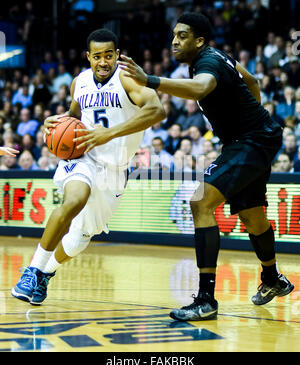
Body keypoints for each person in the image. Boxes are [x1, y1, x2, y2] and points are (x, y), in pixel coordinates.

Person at [117, 12, 294, 321]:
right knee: (252, 217)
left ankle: (206, 300)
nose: (174, 40)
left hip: (252, 141)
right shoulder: (217, 57)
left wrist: (151, 81)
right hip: (256, 137)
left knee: (200, 202)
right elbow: (250, 81)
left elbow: (200, 88)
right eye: (174, 35)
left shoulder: (207, 63)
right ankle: (273, 279)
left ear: (199, 41)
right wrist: (252, 117)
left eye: (182, 35)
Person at [11, 29, 165, 305]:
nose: (103, 62)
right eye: (97, 56)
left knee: (81, 236)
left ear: (117, 55)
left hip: (115, 170)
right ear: (88, 57)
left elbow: (157, 111)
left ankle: (46, 273)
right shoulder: (79, 82)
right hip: (82, 156)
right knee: (75, 199)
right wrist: (54, 123)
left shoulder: (127, 79)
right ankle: (32, 270)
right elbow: (73, 116)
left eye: (109, 55)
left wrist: (109, 134)